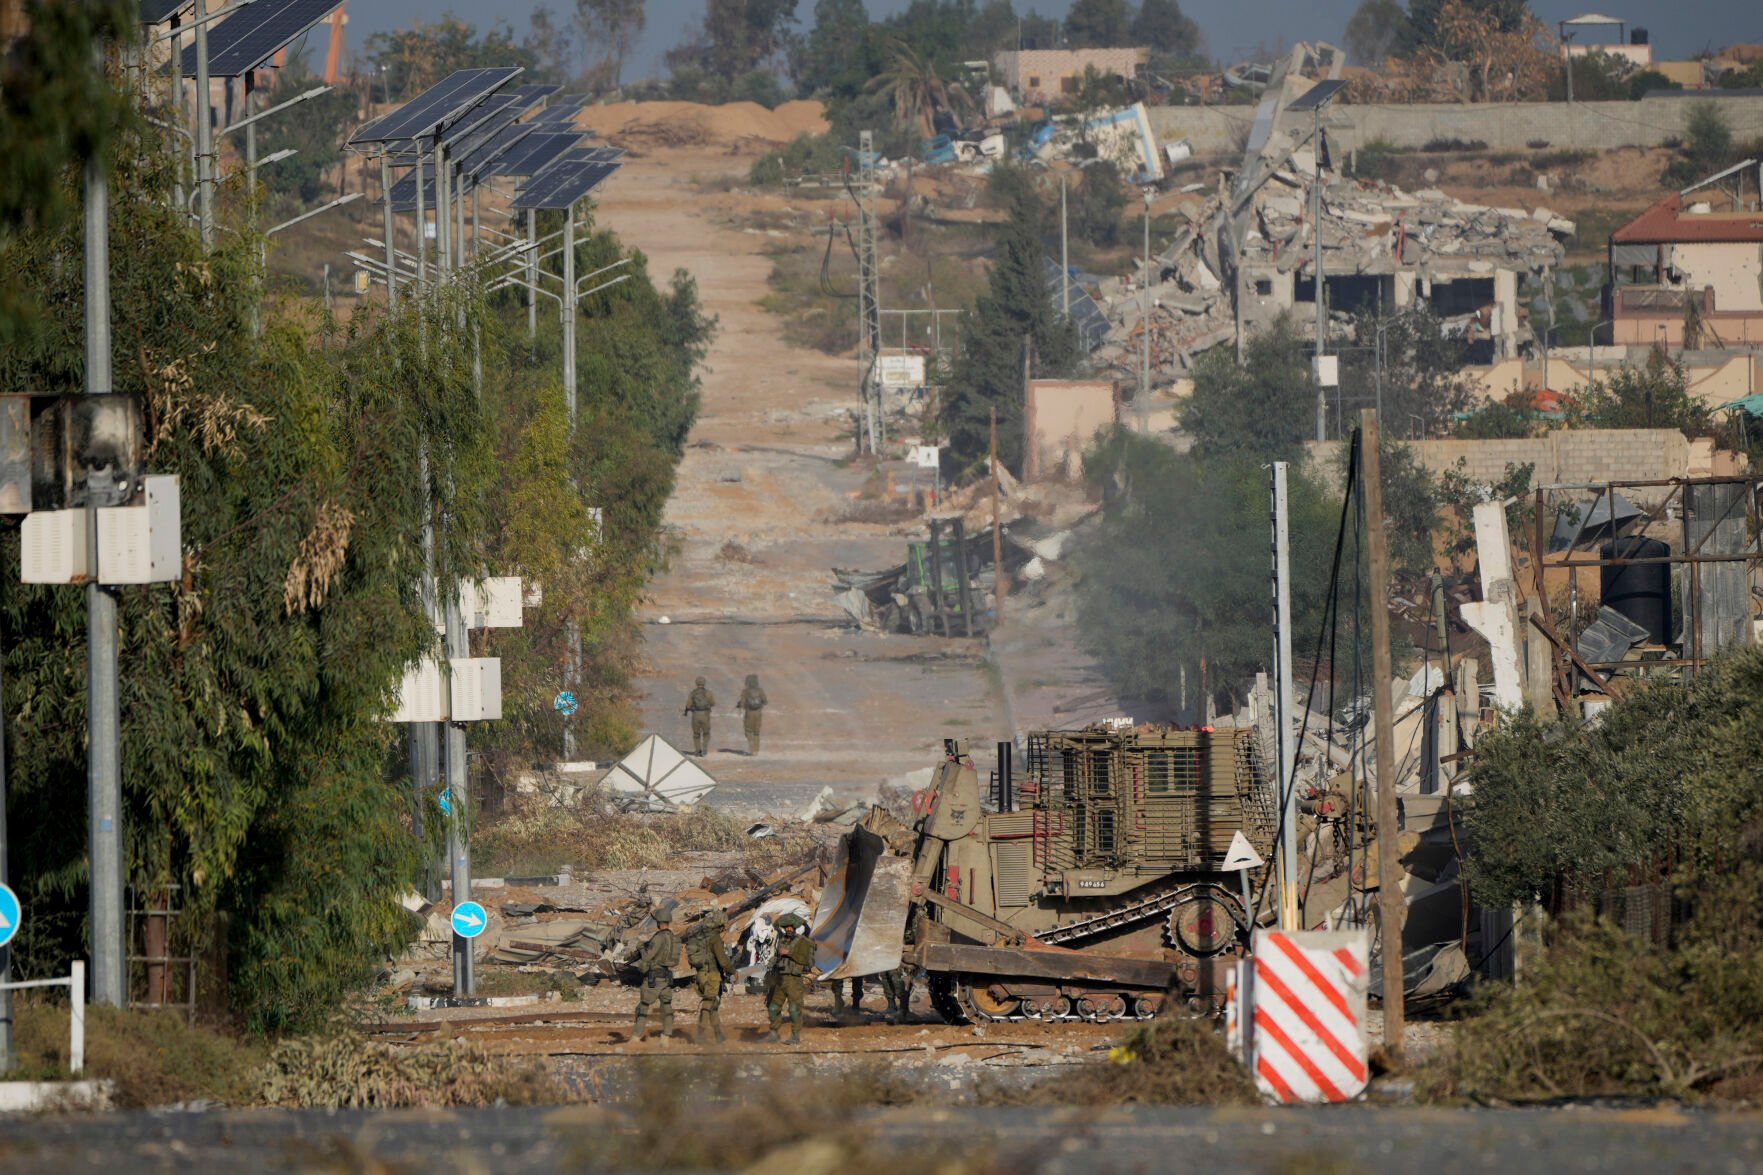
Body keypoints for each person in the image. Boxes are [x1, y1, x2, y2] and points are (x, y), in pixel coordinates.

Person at [683, 907, 736, 1045]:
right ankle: (700, 1034)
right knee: (708, 1003)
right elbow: (723, 960)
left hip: (701, 974)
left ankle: (718, 1034)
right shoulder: (715, 938)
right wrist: (733, 971)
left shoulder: (701, 936)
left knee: (713, 1004)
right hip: (712, 975)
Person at [632, 900, 681, 1043]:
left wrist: (641, 947)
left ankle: (636, 1036)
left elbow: (647, 956)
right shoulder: (674, 938)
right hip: (667, 978)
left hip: (653, 979)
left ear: (659, 922)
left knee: (643, 1007)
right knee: (666, 1007)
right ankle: (665, 1036)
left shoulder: (658, 937)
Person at [764, 913, 814, 1045]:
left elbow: (806, 961)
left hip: (794, 980)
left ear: (795, 927)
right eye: (786, 927)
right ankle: (773, 1033)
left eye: (791, 926)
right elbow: (777, 956)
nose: (789, 929)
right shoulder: (782, 940)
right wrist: (772, 962)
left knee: (794, 1009)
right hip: (780, 979)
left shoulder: (802, 941)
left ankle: (795, 1036)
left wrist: (789, 953)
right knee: (773, 1008)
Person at [734, 674, 768, 756]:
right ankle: (756, 750)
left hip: (749, 714)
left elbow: (742, 704)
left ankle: (751, 744)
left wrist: (739, 705)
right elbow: (765, 702)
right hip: (758, 714)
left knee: (748, 730)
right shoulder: (760, 690)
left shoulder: (745, 691)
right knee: (756, 732)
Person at [682, 677, 715, 756]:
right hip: (705, 716)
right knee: (706, 733)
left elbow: (688, 705)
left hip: (695, 716)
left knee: (696, 734)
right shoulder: (708, 693)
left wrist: (687, 711)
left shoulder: (692, 693)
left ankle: (697, 750)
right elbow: (713, 703)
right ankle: (704, 748)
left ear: (696, 683)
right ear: (704, 683)